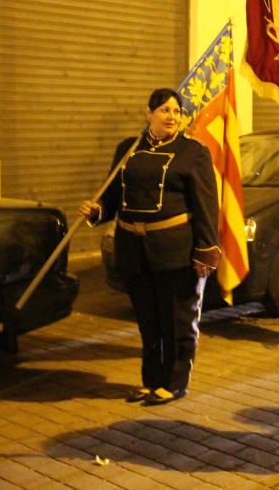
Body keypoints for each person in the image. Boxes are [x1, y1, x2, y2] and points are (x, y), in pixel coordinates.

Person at [79, 88, 220, 406]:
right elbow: (114, 195)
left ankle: (175, 382)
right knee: (148, 320)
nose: (172, 116)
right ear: (149, 113)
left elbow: (206, 205)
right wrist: (98, 210)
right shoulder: (128, 149)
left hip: (175, 250)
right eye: (164, 110)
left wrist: (206, 249)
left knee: (177, 321)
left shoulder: (193, 152)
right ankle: (151, 380)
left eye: (177, 111)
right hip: (133, 249)